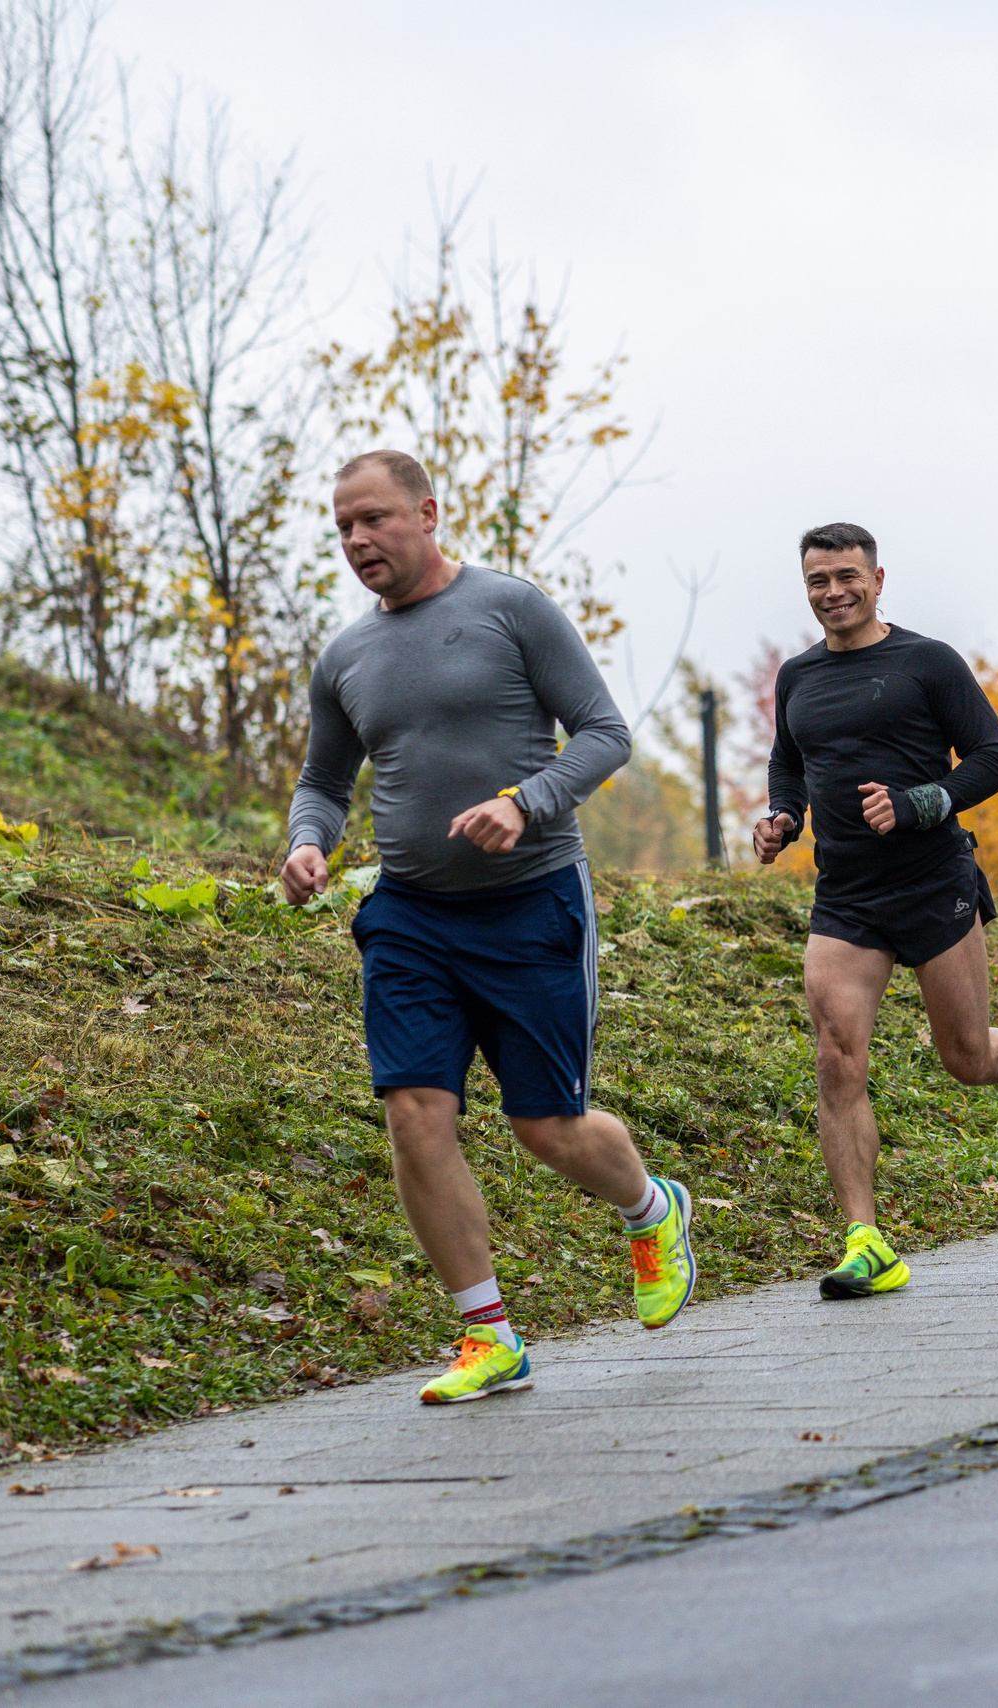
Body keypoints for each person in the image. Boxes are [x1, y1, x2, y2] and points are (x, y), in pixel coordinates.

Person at [283, 450, 689, 1406]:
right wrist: (310, 842)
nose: (357, 541)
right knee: (415, 1112)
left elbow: (604, 733)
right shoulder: (344, 656)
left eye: (374, 519)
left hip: (533, 903)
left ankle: (650, 1206)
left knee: (546, 1126)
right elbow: (323, 782)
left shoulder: (511, 608)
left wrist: (527, 800)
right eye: (343, 527)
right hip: (411, 915)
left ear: (427, 512)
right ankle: (488, 1334)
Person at [752, 523, 998, 1298]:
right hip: (847, 897)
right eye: (817, 581)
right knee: (837, 1056)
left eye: (845, 576)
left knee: (966, 1059)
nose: (832, 593)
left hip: (935, 883)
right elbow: (789, 759)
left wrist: (919, 803)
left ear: (877, 578)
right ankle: (866, 1240)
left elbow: (995, 758)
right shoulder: (799, 677)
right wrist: (782, 816)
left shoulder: (926, 662)